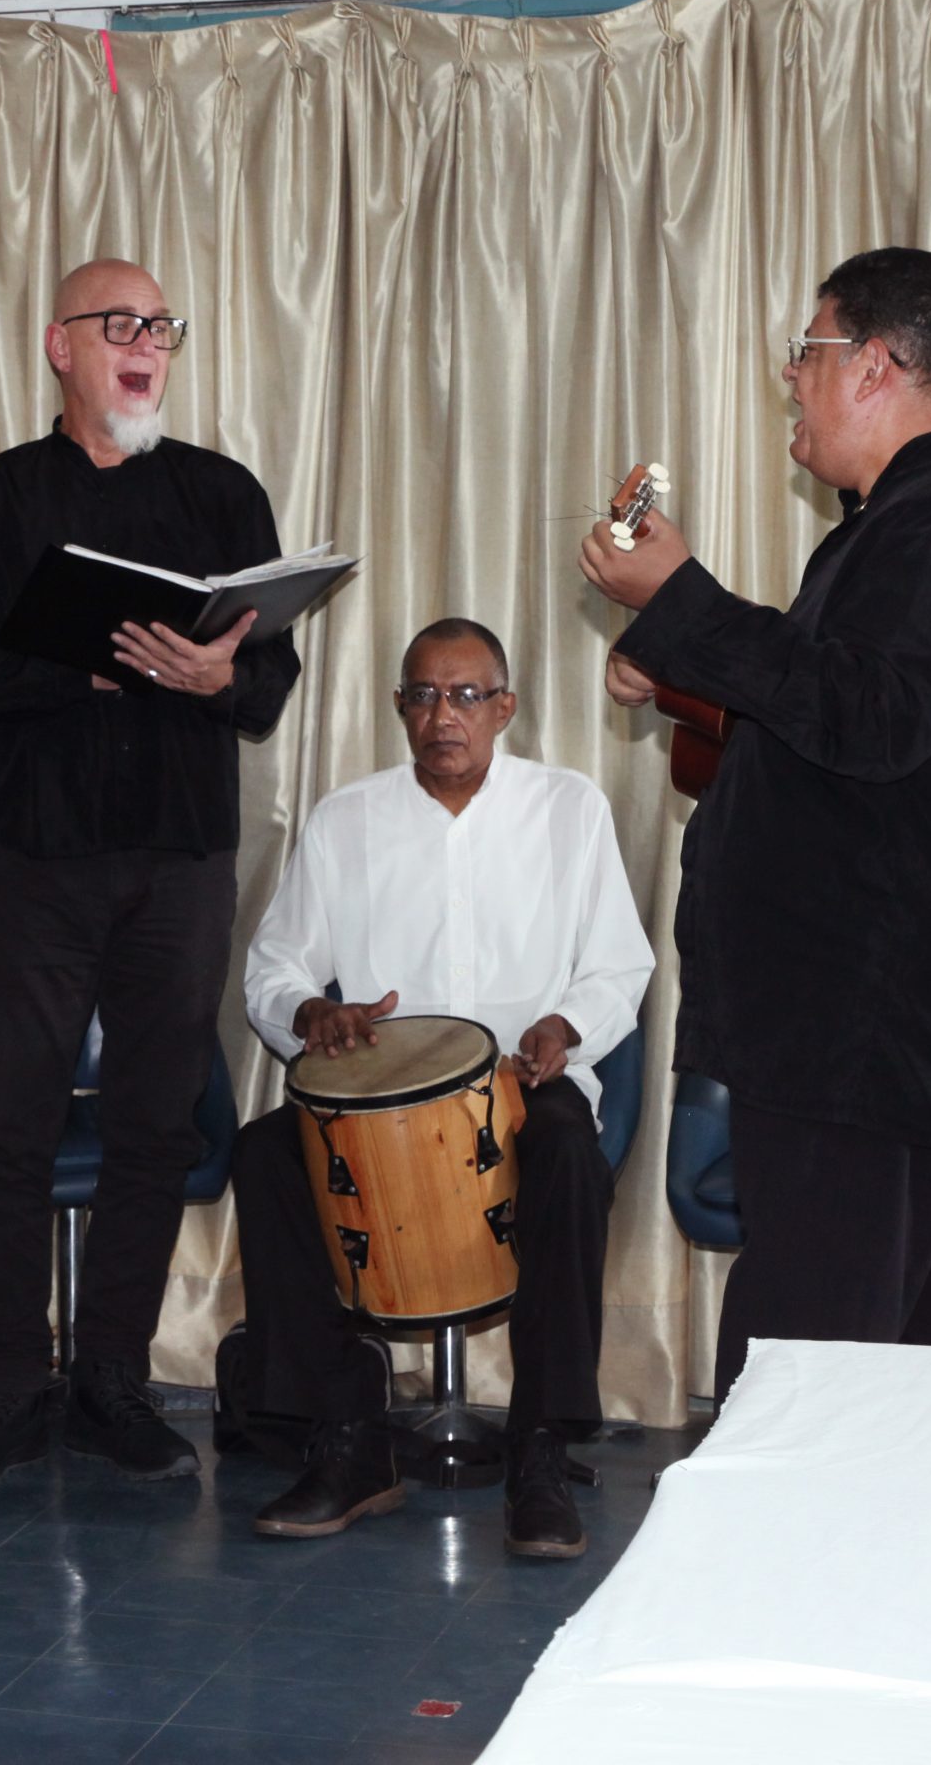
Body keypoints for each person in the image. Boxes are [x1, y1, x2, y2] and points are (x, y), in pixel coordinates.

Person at [581, 247, 931, 1404]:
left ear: (872, 365)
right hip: (902, 1040)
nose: (789, 376)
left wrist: (680, 600)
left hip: (876, 1044)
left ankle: (784, 1538)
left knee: (809, 1385)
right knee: (927, 1370)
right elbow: (881, 752)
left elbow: (874, 717)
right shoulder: (928, 515)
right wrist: (689, 677)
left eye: (804, 351)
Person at [0, 258, 302, 1485]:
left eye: (160, 328)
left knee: (152, 1123)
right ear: (60, 346)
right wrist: (76, 670)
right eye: (119, 324)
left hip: (183, 857)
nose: (143, 345)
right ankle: (5, 1387)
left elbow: (272, 675)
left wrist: (219, 677)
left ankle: (114, 1381)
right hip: (39, 857)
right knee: (12, 1124)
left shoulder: (222, 492)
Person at [234, 620, 655, 1559]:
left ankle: (541, 1450)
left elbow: (620, 965)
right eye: (423, 695)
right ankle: (349, 1440)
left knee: (566, 1154)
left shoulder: (568, 808)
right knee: (265, 1154)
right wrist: (311, 1012)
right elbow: (275, 966)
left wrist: (565, 1028)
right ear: (399, 707)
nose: (443, 716)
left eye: (467, 695)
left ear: (505, 708)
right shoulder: (347, 820)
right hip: (379, 1101)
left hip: (519, 1080)